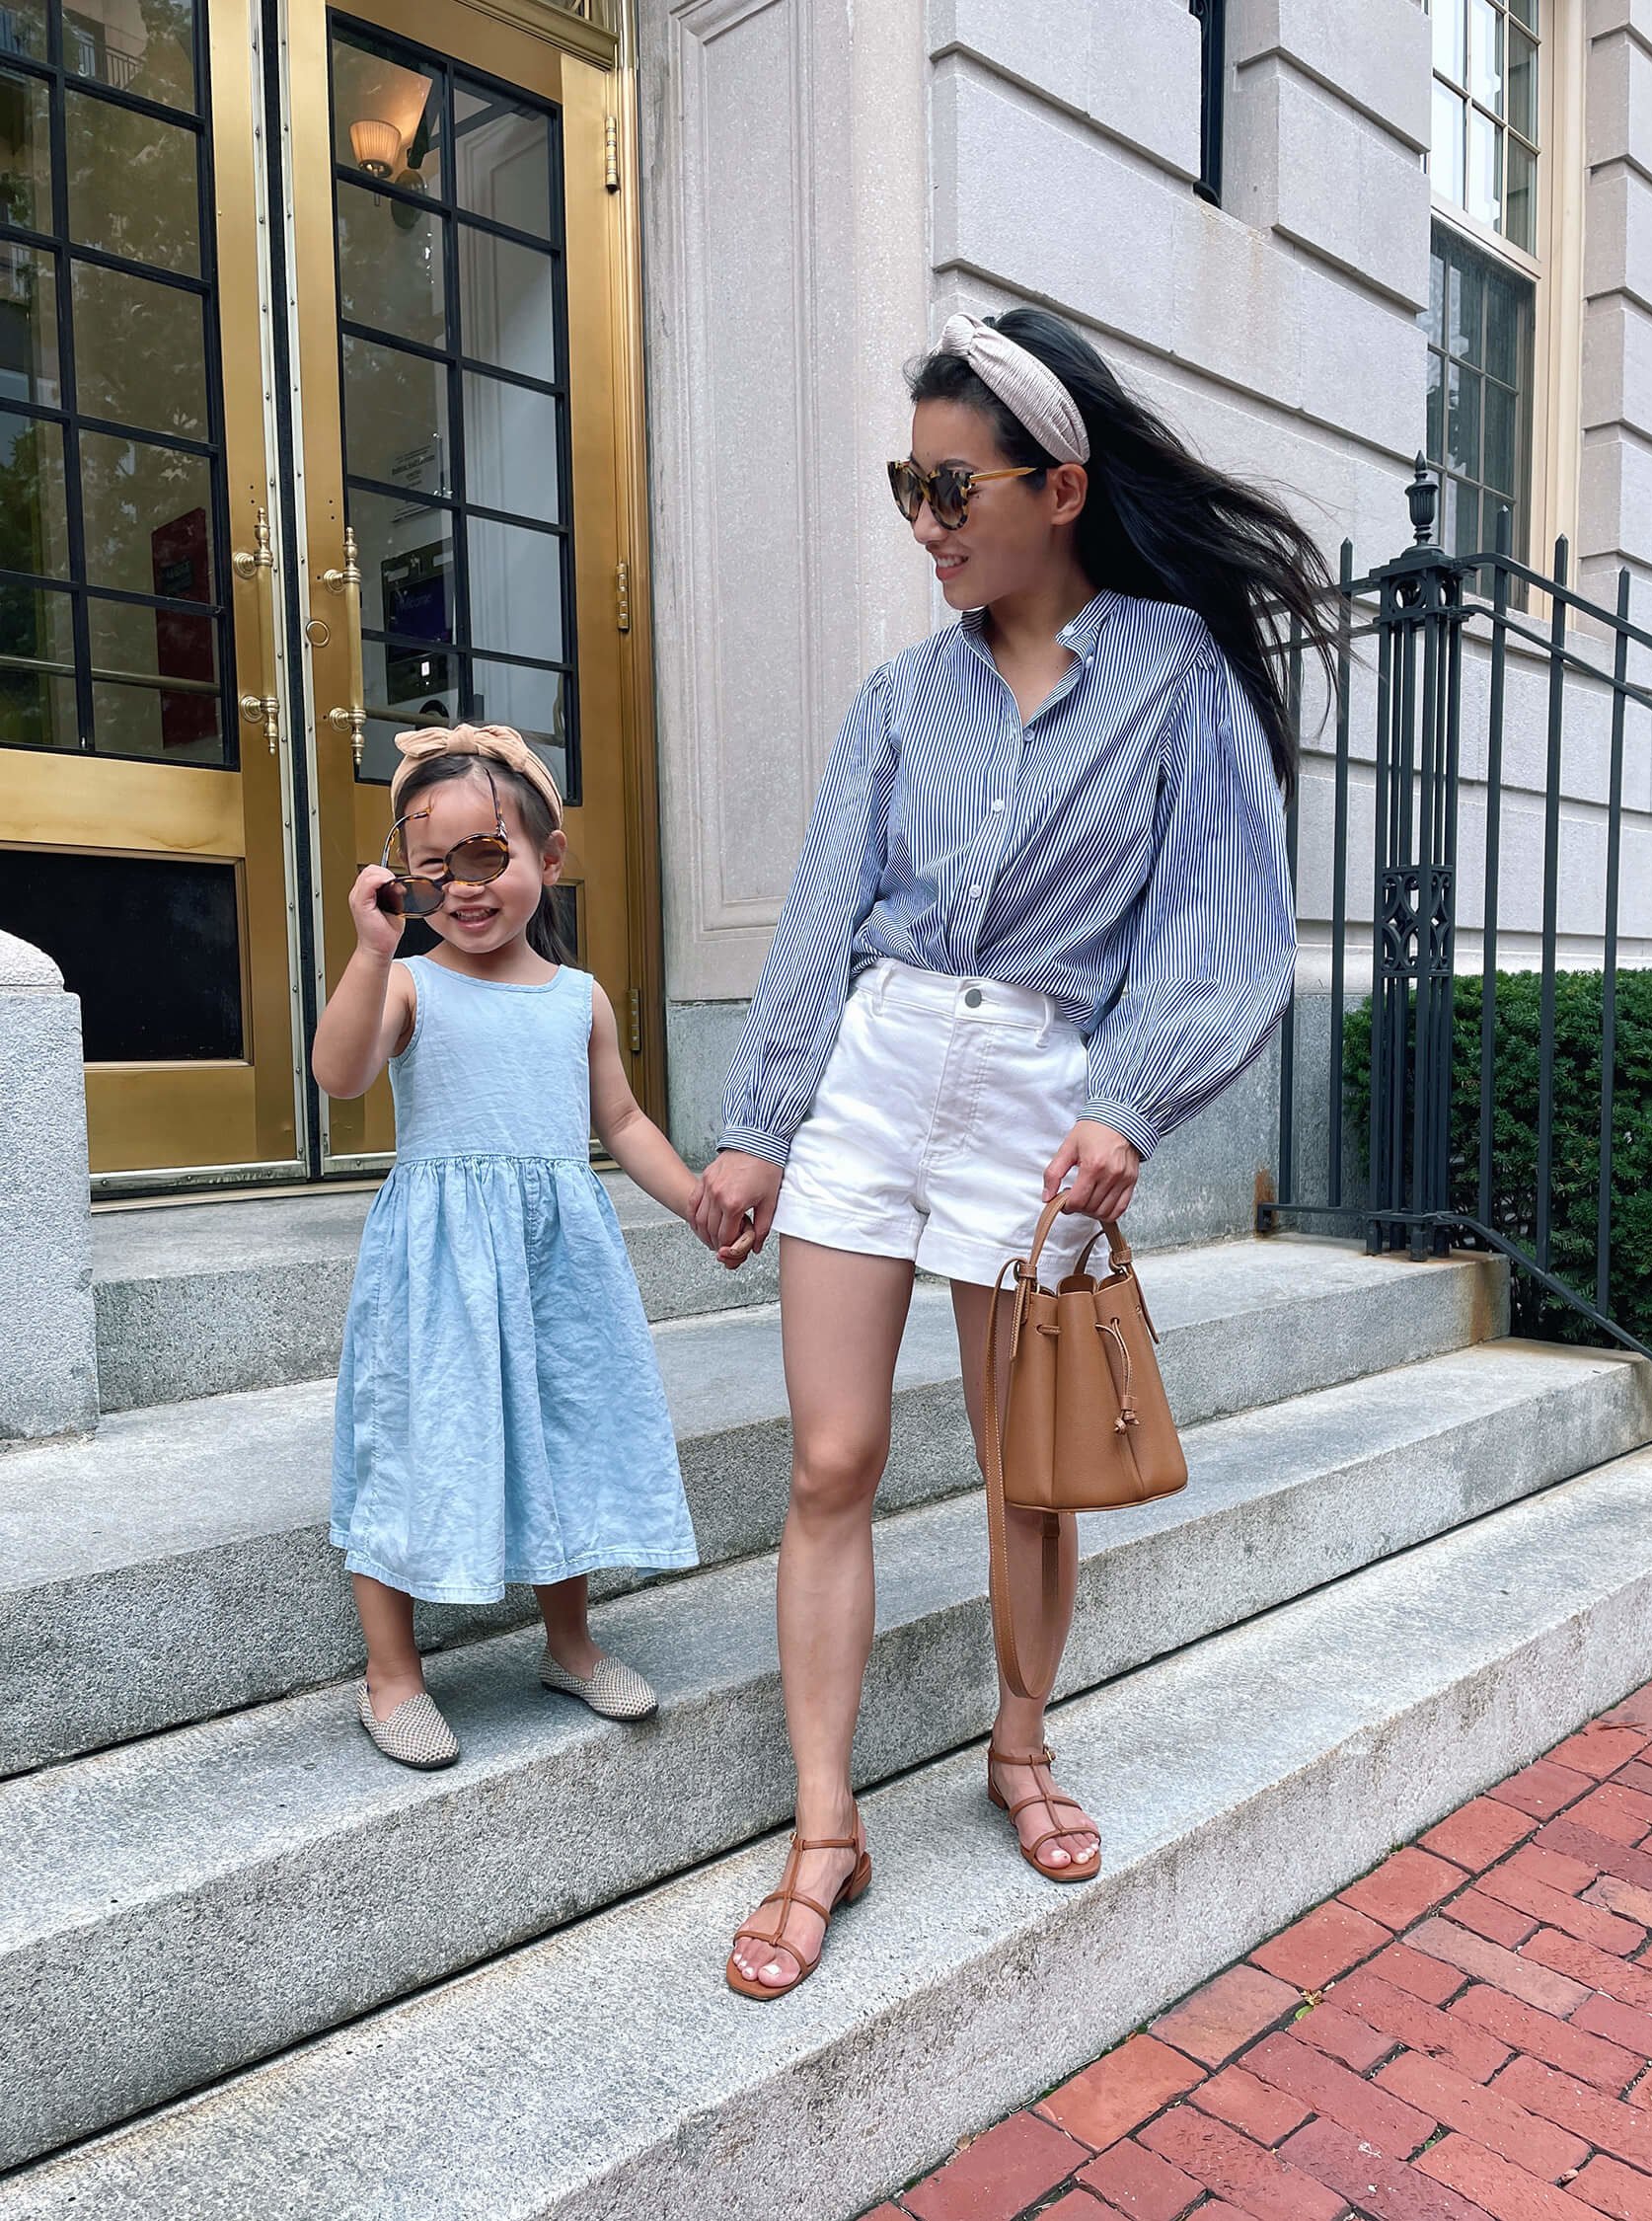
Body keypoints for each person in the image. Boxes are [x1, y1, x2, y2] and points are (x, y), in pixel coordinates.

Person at [695, 307, 1332, 1997]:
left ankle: (1020, 1742)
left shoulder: (1169, 671)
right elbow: (825, 911)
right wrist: (760, 1124)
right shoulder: (899, 696)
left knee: (1022, 1464)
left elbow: (1218, 916)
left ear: (1055, 486)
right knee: (829, 1461)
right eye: (903, 483)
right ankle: (823, 1823)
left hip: (1039, 1095)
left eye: (946, 482)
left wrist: (1126, 1104)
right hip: (880, 1070)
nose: (921, 517)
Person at [315, 724, 740, 1768]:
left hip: (557, 1263)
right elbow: (339, 1076)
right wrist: (371, 953)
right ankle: (392, 1671)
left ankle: (570, 1640)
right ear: (403, 882)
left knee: (565, 1435)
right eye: (433, 868)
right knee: (416, 1443)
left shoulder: (578, 998)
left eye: (489, 857)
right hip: (443, 1265)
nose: (463, 888)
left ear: (548, 862)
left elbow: (625, 1122)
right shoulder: (412, 982)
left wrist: (694, 1200)